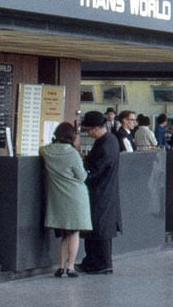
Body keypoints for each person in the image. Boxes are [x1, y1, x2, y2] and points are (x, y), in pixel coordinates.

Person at [40, 121, 91, 278]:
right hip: (76, 195)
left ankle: (60, 267)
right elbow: (82, 176)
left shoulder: (45, 151)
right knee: (74, 232)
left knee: (64, 233)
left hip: (58, 196)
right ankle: (70, 267)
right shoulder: (72, 153)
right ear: (72, 136)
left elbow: (41, 150)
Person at [78, 110, 122, 274]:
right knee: (97, 226)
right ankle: (93, 261)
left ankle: (102, 263)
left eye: (89, 130)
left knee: (99, 227)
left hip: (101, 191)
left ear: (97, 128)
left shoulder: (105, 144)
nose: (88, 134)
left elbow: (95, 169)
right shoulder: (109, 140)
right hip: (105, 189)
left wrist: (84, 171)